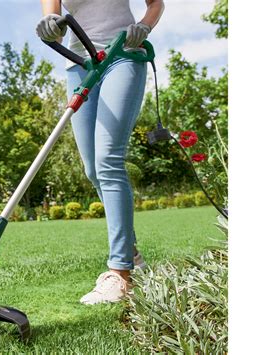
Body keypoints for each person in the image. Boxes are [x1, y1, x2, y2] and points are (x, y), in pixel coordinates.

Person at [36, 0, 165, 304]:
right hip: (79, 63)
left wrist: (144, 26)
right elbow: (52, 17)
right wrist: (49, 25)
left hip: (123, 53)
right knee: (93, 168)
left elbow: (155, 3)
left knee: (108, 160)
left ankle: (120, 274)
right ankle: (133, 255)